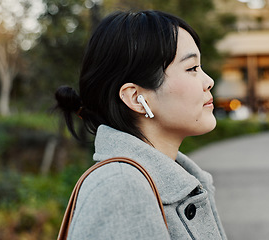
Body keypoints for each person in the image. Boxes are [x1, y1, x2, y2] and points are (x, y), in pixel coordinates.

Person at [54, 10, 227, 239]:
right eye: (192, 68)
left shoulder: (181, 181)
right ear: (136, 98)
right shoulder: (121, 190)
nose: (209, 81)